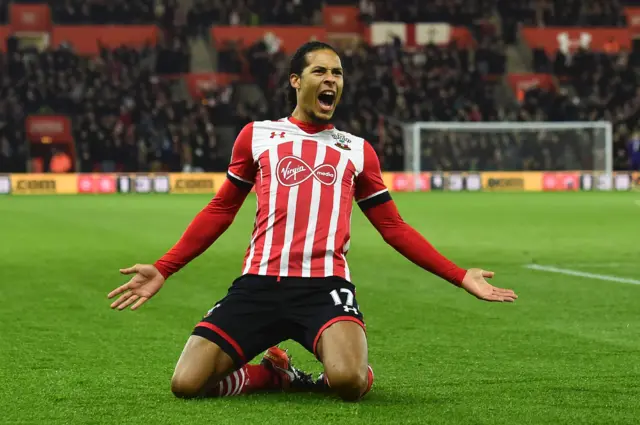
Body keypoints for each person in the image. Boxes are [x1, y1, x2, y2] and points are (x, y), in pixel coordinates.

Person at [107, 41, 518, 402]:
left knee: (348, 382)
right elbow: (220, 210)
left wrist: (460, 276)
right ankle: (270, 375)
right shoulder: (258, 135)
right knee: (186, 384)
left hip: (325, 288)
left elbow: (393, 227)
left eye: (337, 73)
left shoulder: (357, 151)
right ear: (295, 81)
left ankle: (329, 373)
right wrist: (164, 268)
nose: (331, 80)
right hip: (258, 284)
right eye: (319, 71)